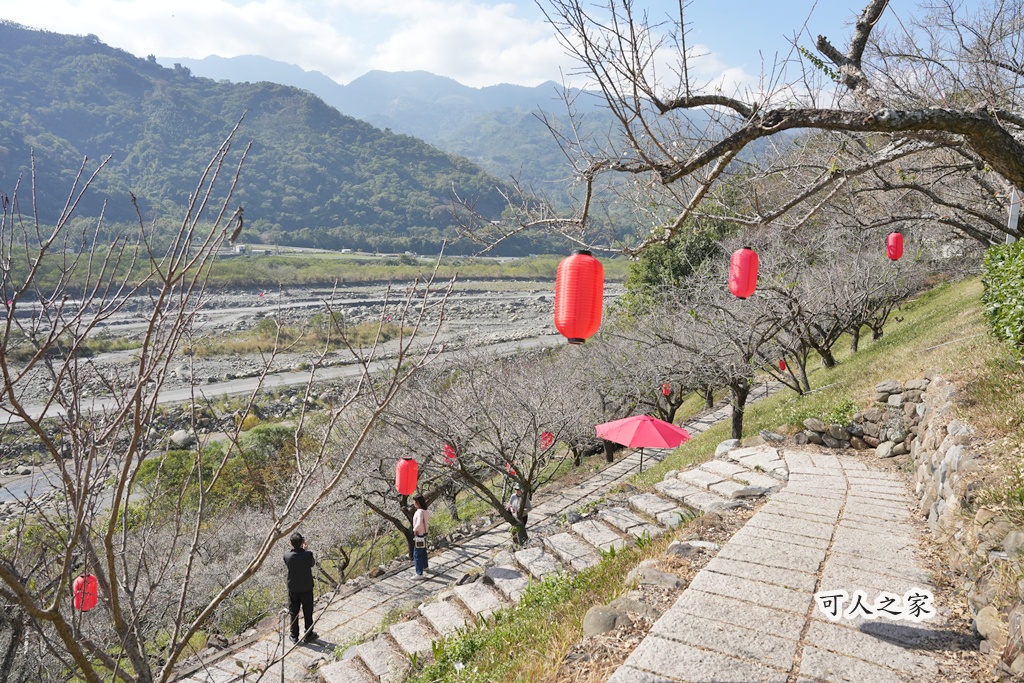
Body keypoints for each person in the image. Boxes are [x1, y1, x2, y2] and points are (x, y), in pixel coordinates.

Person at [283, 532, 318, 644]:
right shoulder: (308, 555)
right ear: (303, 542)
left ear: (290, 543)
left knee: (294, 612)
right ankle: (309, 634)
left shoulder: (287, 556)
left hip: (293, 588)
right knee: (308, 611)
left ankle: (294, 636)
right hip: (306, 587)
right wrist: (306, 550)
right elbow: (312, 564)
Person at [412, 495, 430, 579]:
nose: (413, 504)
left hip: (419, 534)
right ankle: (425, 566)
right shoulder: (425, 511)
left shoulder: (419, 512)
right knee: (423, 551)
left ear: (418, 503)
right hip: (424, 534)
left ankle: (419, 573)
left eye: (414, 502)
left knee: (417, 554)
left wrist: (415, 529)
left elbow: (419, 523)